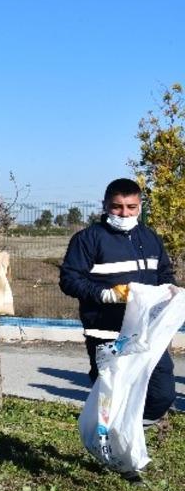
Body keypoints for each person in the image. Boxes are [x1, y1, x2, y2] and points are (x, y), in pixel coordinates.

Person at [60, 178, 177, 433]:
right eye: (117, 207)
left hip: (146, 332)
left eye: (131, 207)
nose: (125, 213)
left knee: (162, 392)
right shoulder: (88, 239)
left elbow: (164, 272)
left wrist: (170, 289)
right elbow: (69, 280)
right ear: (105, 205)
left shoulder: (149, 237)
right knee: (109, 397)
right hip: (106, 333)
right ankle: (109, 446)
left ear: (140, 206)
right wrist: (105, 295)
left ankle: (130, 432)